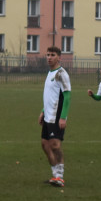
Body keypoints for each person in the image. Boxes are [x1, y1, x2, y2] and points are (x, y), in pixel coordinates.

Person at [39, 46, 71, 187]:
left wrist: (63, 117)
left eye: (52, 55)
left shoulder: (61, 73)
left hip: (56, 115)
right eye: (48, 54)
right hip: (48, 114)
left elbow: (67, 96)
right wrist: (43, 110)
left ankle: (60, 176)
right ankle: (55, 175)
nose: (49, 57)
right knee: (45, 145)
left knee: (55, 145)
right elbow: (50, 96)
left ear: (59, 57)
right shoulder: (50, 72)